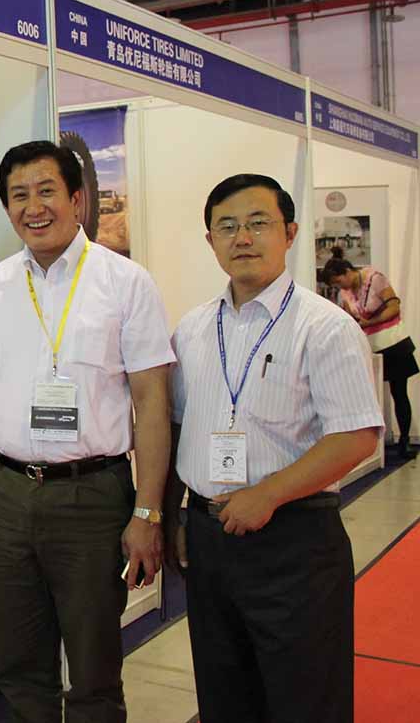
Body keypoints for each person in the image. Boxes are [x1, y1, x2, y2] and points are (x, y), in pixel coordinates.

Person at [0, 140, 173, 723]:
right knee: (19, 666)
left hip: (92, 496)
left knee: (95, 668)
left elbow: (152, 402)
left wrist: (148, 513)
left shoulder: (126, 283)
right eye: (19, 195)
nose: (34, 207)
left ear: (77, 199)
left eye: (47, 190)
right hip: (5, 493)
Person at [163, 174, 382, 723]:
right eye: (227, 226)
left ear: (289, 232)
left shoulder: (325, 327)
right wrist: (175, 515)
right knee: (224, 693)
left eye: (258, 223)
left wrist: (268, 494)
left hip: (294, 541)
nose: (242, 237)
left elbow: (357, 434)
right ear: (210, 240)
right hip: (210, 539)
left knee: (305, 698)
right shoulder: (192, 329)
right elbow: (178, 426)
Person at [320, 246, 418, 459]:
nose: (339, 286)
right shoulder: (346, 293)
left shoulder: (375, 278)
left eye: (338, 281)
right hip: (370, 348)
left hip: (393, 344)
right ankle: (371, 449)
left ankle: (404, 441)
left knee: (399, 393)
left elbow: (394, 307)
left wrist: (369, 322)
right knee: (368, 397)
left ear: (347, 272)